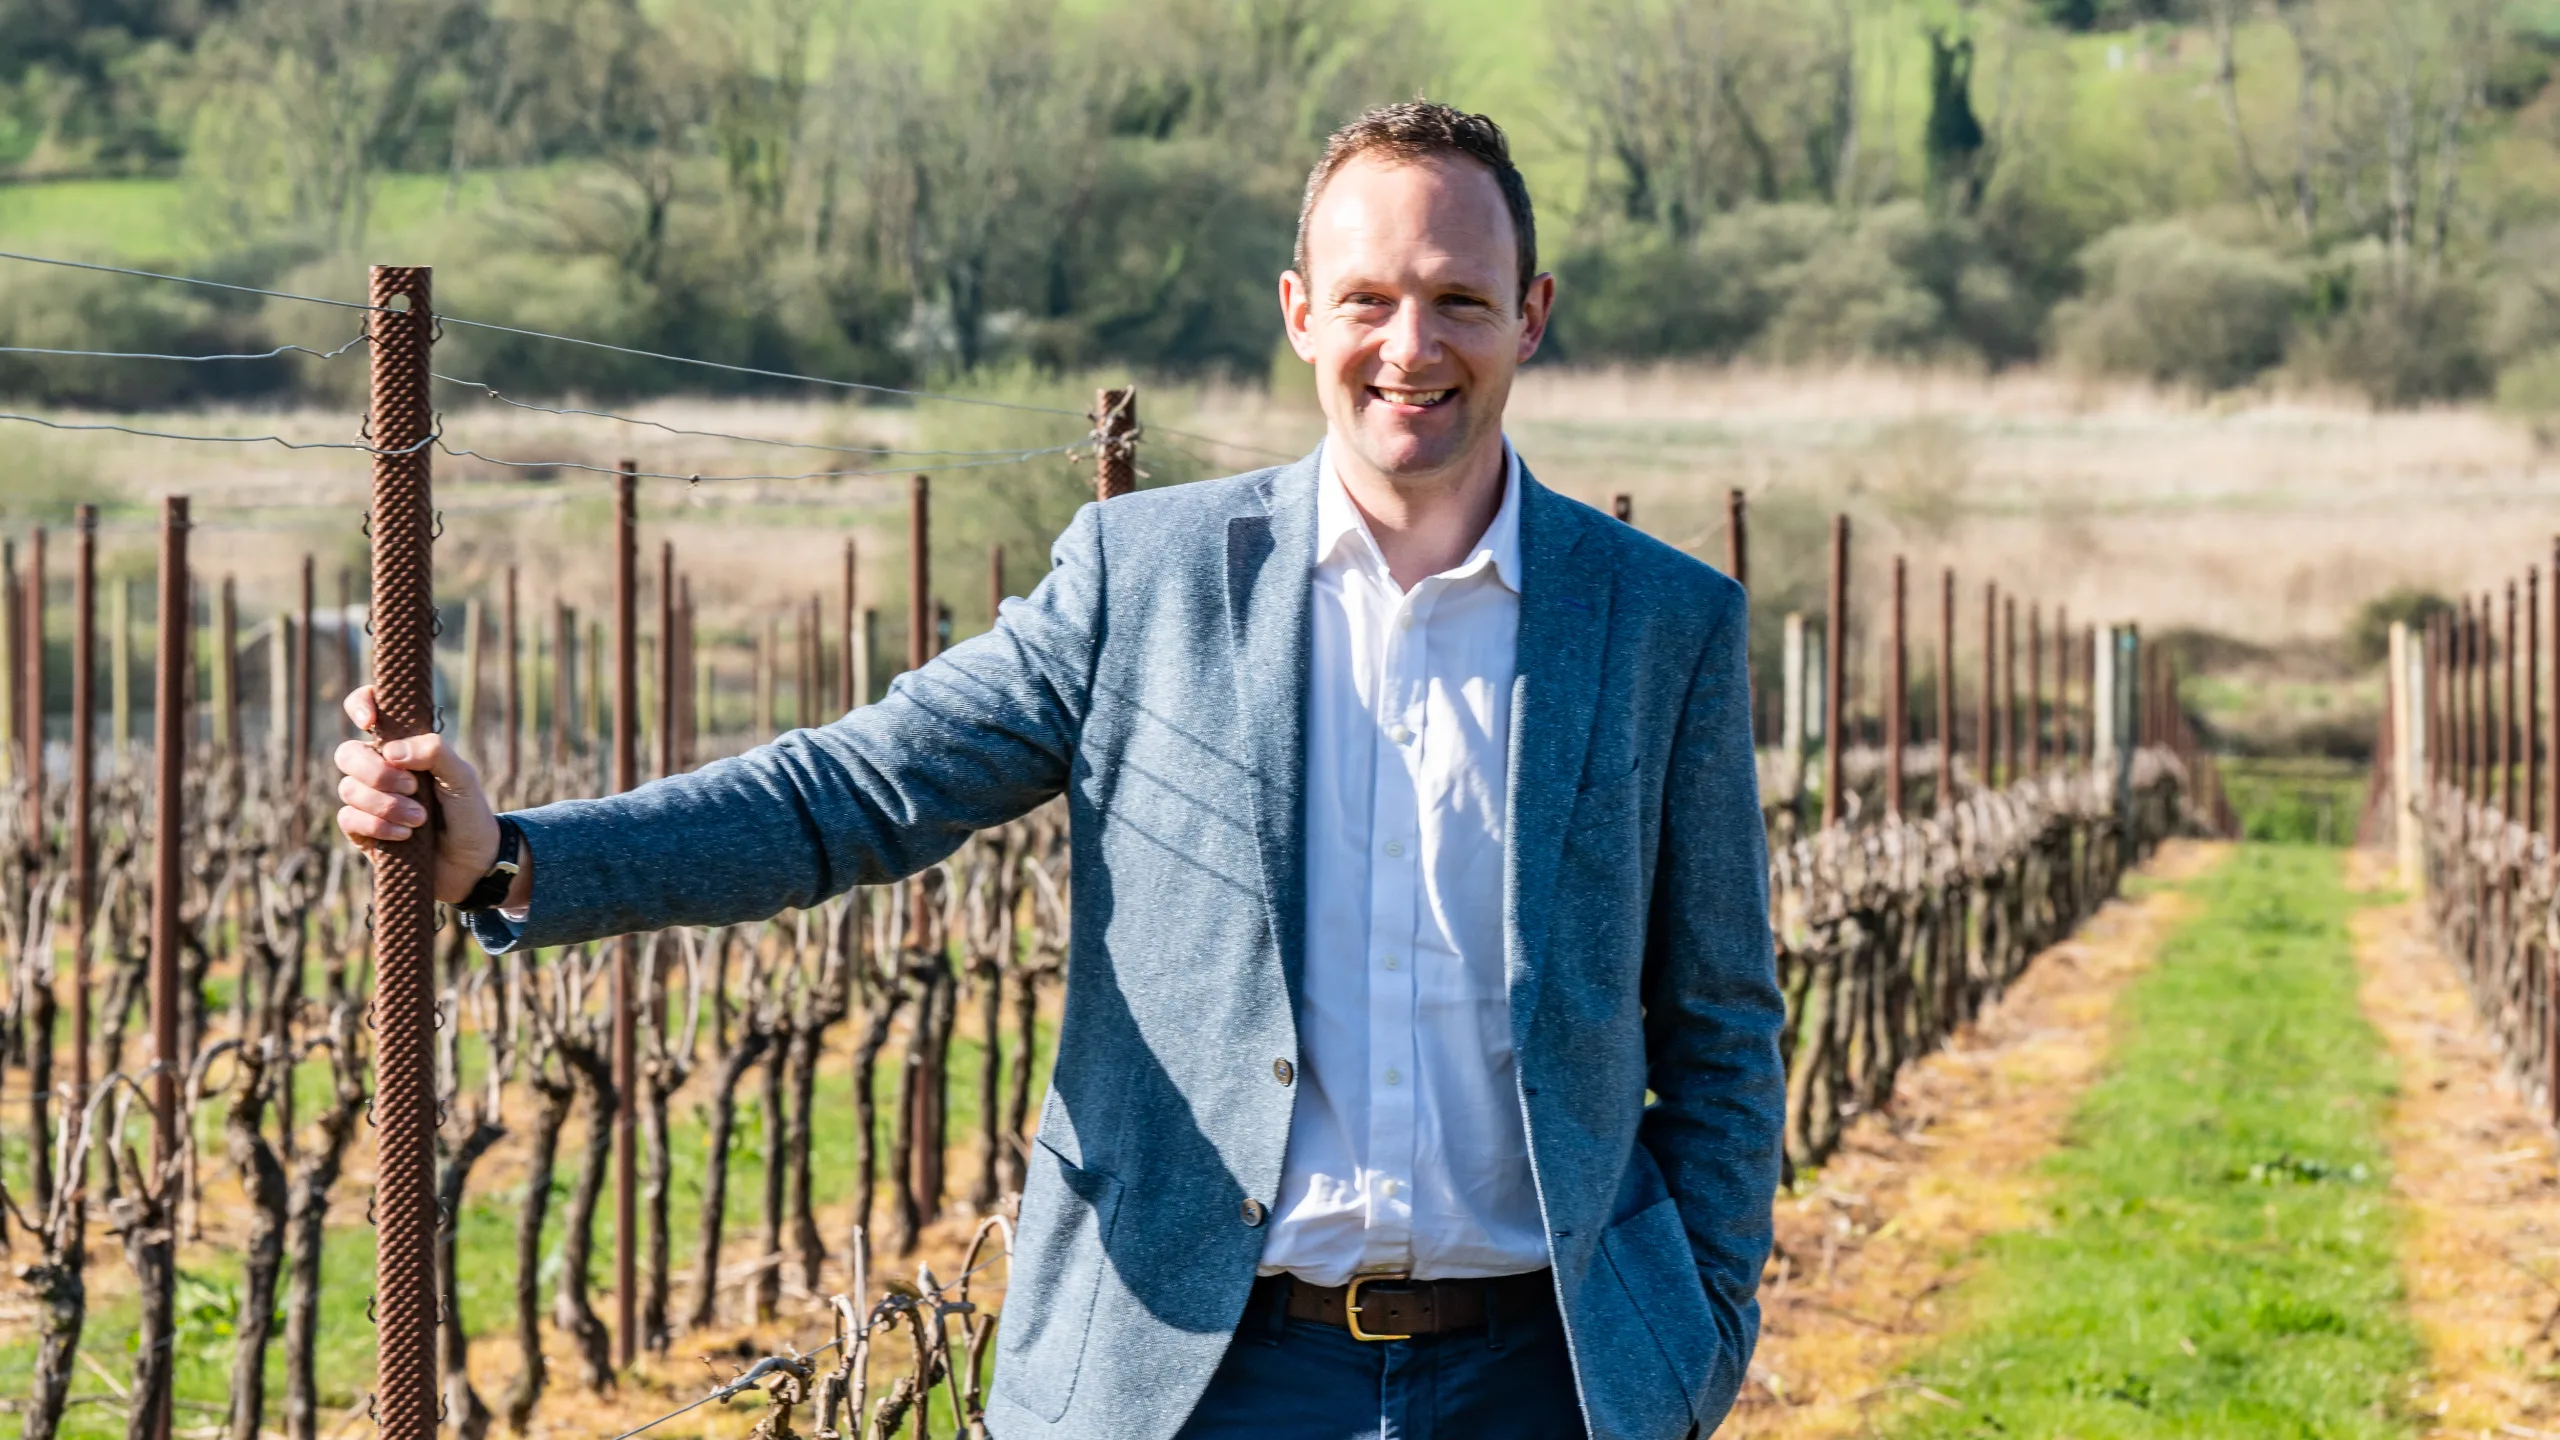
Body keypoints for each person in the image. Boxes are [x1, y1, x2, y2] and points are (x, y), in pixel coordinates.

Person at [336, 101, 1781, 1440]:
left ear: (1529, 315)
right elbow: (856, 793)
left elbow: (1719, 1020)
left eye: (1459, 297)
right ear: (1298, 315)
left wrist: (1700, 1333)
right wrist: (523, 857)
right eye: (1369, 299)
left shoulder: (1663, 625)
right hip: (1200, 1372)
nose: (1412, 343)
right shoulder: (1145, 581)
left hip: (1550, 1380)